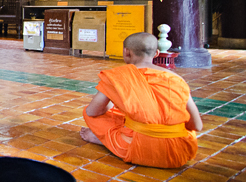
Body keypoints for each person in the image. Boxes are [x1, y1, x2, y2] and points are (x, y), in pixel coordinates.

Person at [81, 32, 202, 169]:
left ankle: (104, 139)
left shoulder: (118, 77)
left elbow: (93, 112)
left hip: (135, 149)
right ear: (156, 53)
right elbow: (197, 126)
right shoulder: (177, 79)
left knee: (89, 113)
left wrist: (114, 100)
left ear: (126, 52)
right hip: (180, 152)